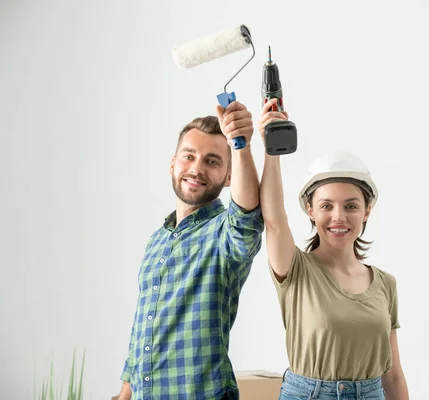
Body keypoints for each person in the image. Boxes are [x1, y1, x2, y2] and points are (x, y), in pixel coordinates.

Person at [258, 98, 410, 400]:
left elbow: (392, 376)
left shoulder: (385, 284)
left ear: (366, 210)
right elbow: (274, 221)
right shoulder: (295, 269)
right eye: (326, 205)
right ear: (310, 210)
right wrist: (271, 150)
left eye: (350, 206)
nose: (338, 216)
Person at [117, 101, 264, 400]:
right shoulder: (156, 240)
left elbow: (246, 218)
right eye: (189, 156)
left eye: (212, 161)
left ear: (229, 177)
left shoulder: (225, 233)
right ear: (173, 164)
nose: (197, 168)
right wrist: (125, 391)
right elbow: (142, 322)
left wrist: (241, 145)